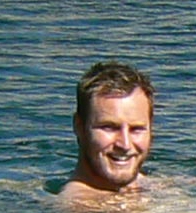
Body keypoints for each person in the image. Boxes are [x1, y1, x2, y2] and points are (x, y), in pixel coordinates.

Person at [60, 60, 155, 205]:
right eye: (109, 127)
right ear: (79, 127)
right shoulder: (78, 210)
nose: (125, 144)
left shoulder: (150, 186)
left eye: (136, 129)